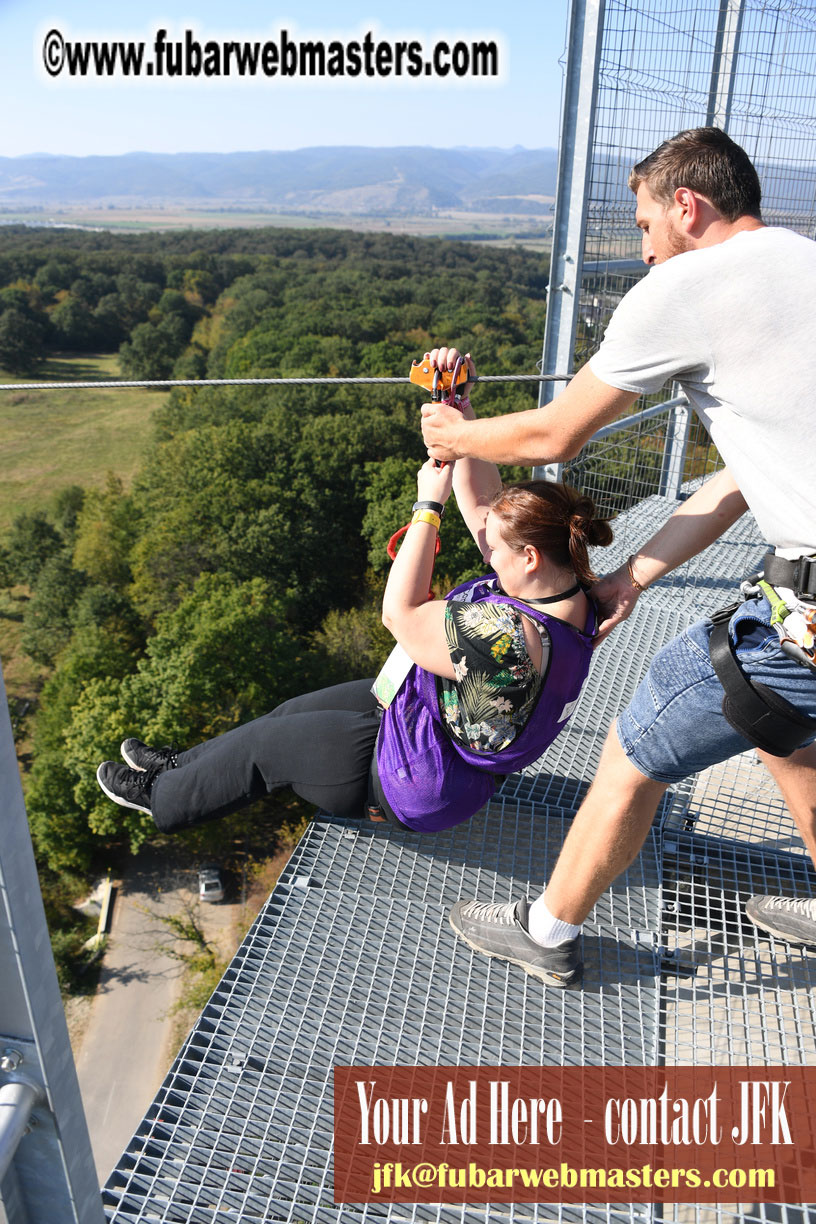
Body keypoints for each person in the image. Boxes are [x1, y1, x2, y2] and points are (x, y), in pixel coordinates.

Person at [420, 127, 816, 985]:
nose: (644, 251)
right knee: (783, 728)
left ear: (688, 206)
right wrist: (632, 578)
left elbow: (554, 434)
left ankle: (547, 930)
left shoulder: (688, 286)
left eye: (645, 225)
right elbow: (742, 482)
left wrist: (454, 435)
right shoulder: (805, 265)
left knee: (639, 741)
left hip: (811, 611)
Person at [96, 407, 612, 868]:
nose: (486, 550)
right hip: (429, 714)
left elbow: (399, 613)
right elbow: (483, 508)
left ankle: (162, 796)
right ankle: (182, 766)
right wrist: (460, 419)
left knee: (265, 747)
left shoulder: (510, 641)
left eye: (495, 549)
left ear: (530, 556)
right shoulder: (571, 597)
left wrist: (426, 507)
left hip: (418, 778)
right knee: (287, 713)